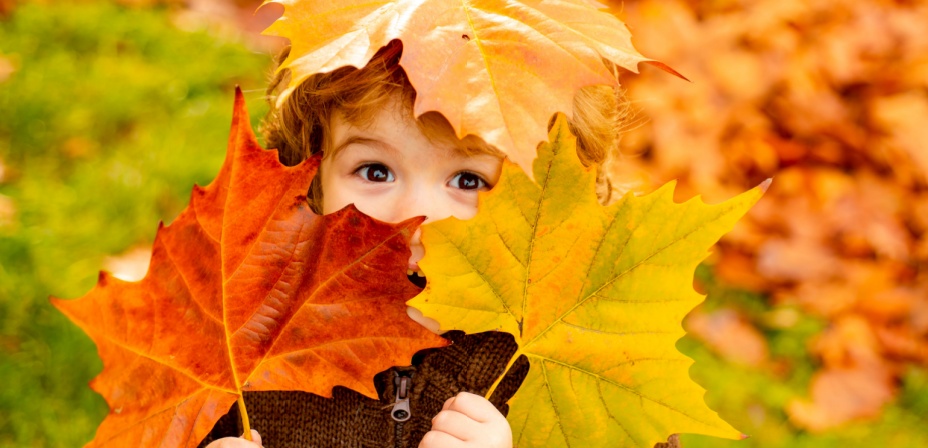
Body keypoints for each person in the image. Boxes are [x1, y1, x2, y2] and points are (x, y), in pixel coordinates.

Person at [200, 39, 631, 448]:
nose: (415, 219)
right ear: (311, 178)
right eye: (374, 171)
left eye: (468, 180)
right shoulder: (242, 349)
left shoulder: (584, 371)